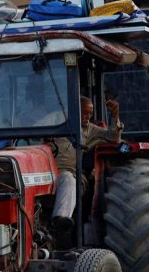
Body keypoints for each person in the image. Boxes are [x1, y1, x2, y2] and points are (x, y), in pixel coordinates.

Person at [51, 96, 123, 229]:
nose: (87, 116)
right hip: (46, 172)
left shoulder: (89, 129)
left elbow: (113, 137)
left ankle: (61, 220)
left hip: (72, 173)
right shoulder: (55, 121)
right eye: (84, 112)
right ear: (73, 110)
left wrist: (114, 116)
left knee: (68, 179)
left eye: (90, 113)